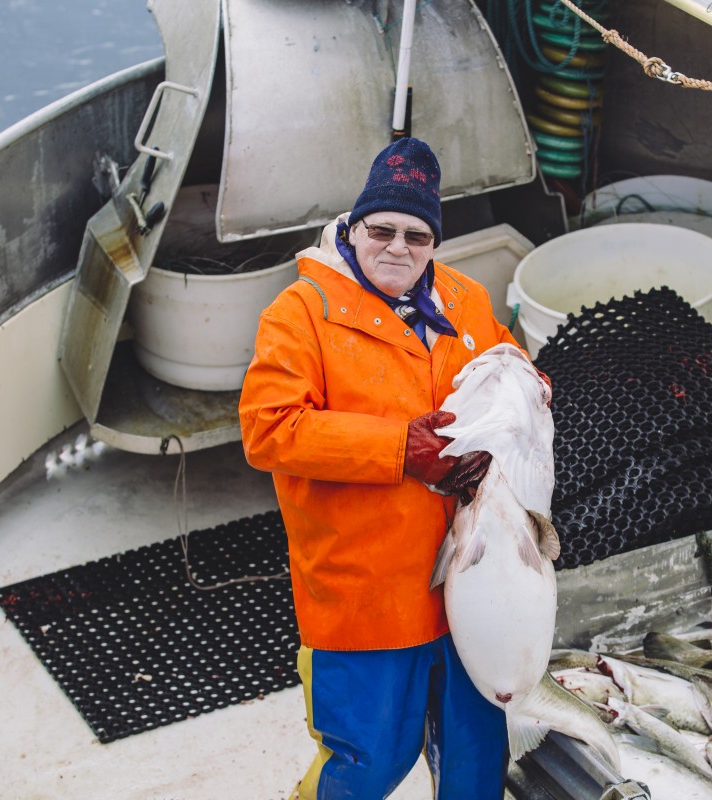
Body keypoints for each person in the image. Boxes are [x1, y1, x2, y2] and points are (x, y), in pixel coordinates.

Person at [239, 137, 534, 799]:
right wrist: (404, 449)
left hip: (468, 593)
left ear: (435, 243)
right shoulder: (297, 317)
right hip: (366, 598)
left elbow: (509, 366)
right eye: (383, 231)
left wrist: (526, 396)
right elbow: (269, 429)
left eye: (418, 236)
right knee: (369, 762)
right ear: (353, 228)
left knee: (476, 757)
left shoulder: (460, 299)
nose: (399, 248)